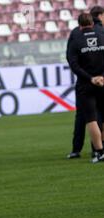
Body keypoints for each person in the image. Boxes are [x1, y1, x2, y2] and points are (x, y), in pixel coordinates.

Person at [67, 6, 104, 159]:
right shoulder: (102, 34)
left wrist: (90, 78)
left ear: (79, 24)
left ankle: (98, 152)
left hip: (86, 84)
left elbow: (73, 63)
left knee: (90, 119)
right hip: (103, 82)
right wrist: (102, 76)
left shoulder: (76, 37)